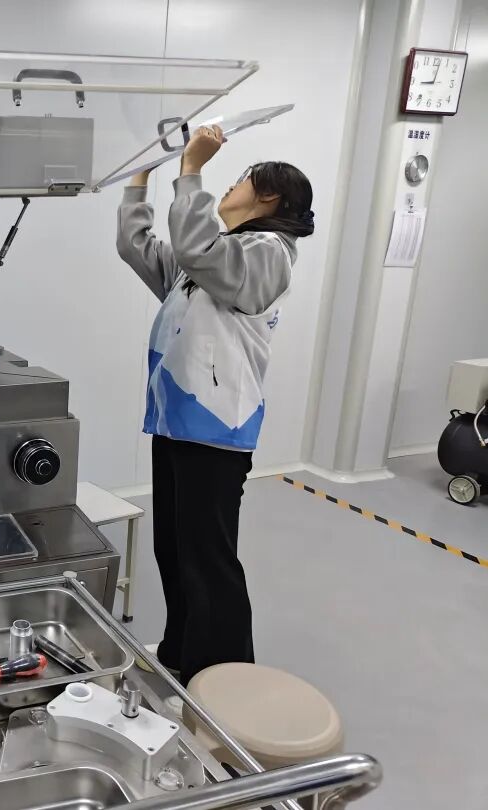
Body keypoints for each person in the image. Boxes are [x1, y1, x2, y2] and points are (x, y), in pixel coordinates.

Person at [115, 125, 314, 685]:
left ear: (270, 197)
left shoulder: (268, 254)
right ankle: (183, 653)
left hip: (217, 429)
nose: (230, 187)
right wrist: (140, 175)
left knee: (208, 557)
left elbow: (198, 246)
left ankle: (225, 680)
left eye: (242, 180)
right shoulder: (210, 259)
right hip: (175, 422)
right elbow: (137, 247)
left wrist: (192, 169)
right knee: (174, 548)